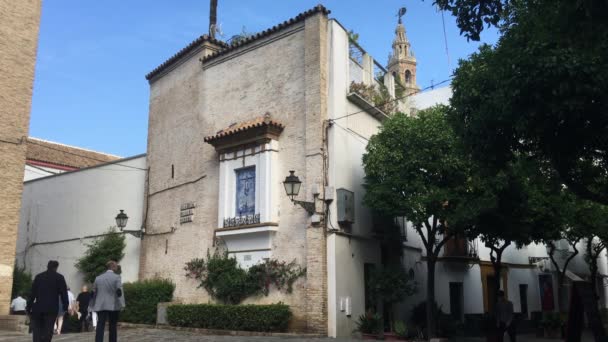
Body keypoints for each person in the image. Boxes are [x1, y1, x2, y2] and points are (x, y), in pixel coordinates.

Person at [27, 260, 68, 342]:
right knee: (48, 329)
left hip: (38, 307)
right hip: (51, 308)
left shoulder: (39, 277)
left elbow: (32, 293)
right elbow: (64, 293)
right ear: (56, 267)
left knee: (37, 329)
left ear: (47, 266)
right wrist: (65, 306)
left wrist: (29, 306)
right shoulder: (59, 277)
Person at [92, 261, 124, 342]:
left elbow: (94, 292)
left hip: (100, 305)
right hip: (113, 305)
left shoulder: (98, 278)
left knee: (100, 324)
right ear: (113, 267)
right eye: (116, 266)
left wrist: (93, 304)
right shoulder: (117, 277)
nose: (117, 267)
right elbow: (119, 291)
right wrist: (122, 304)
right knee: (113, 325)